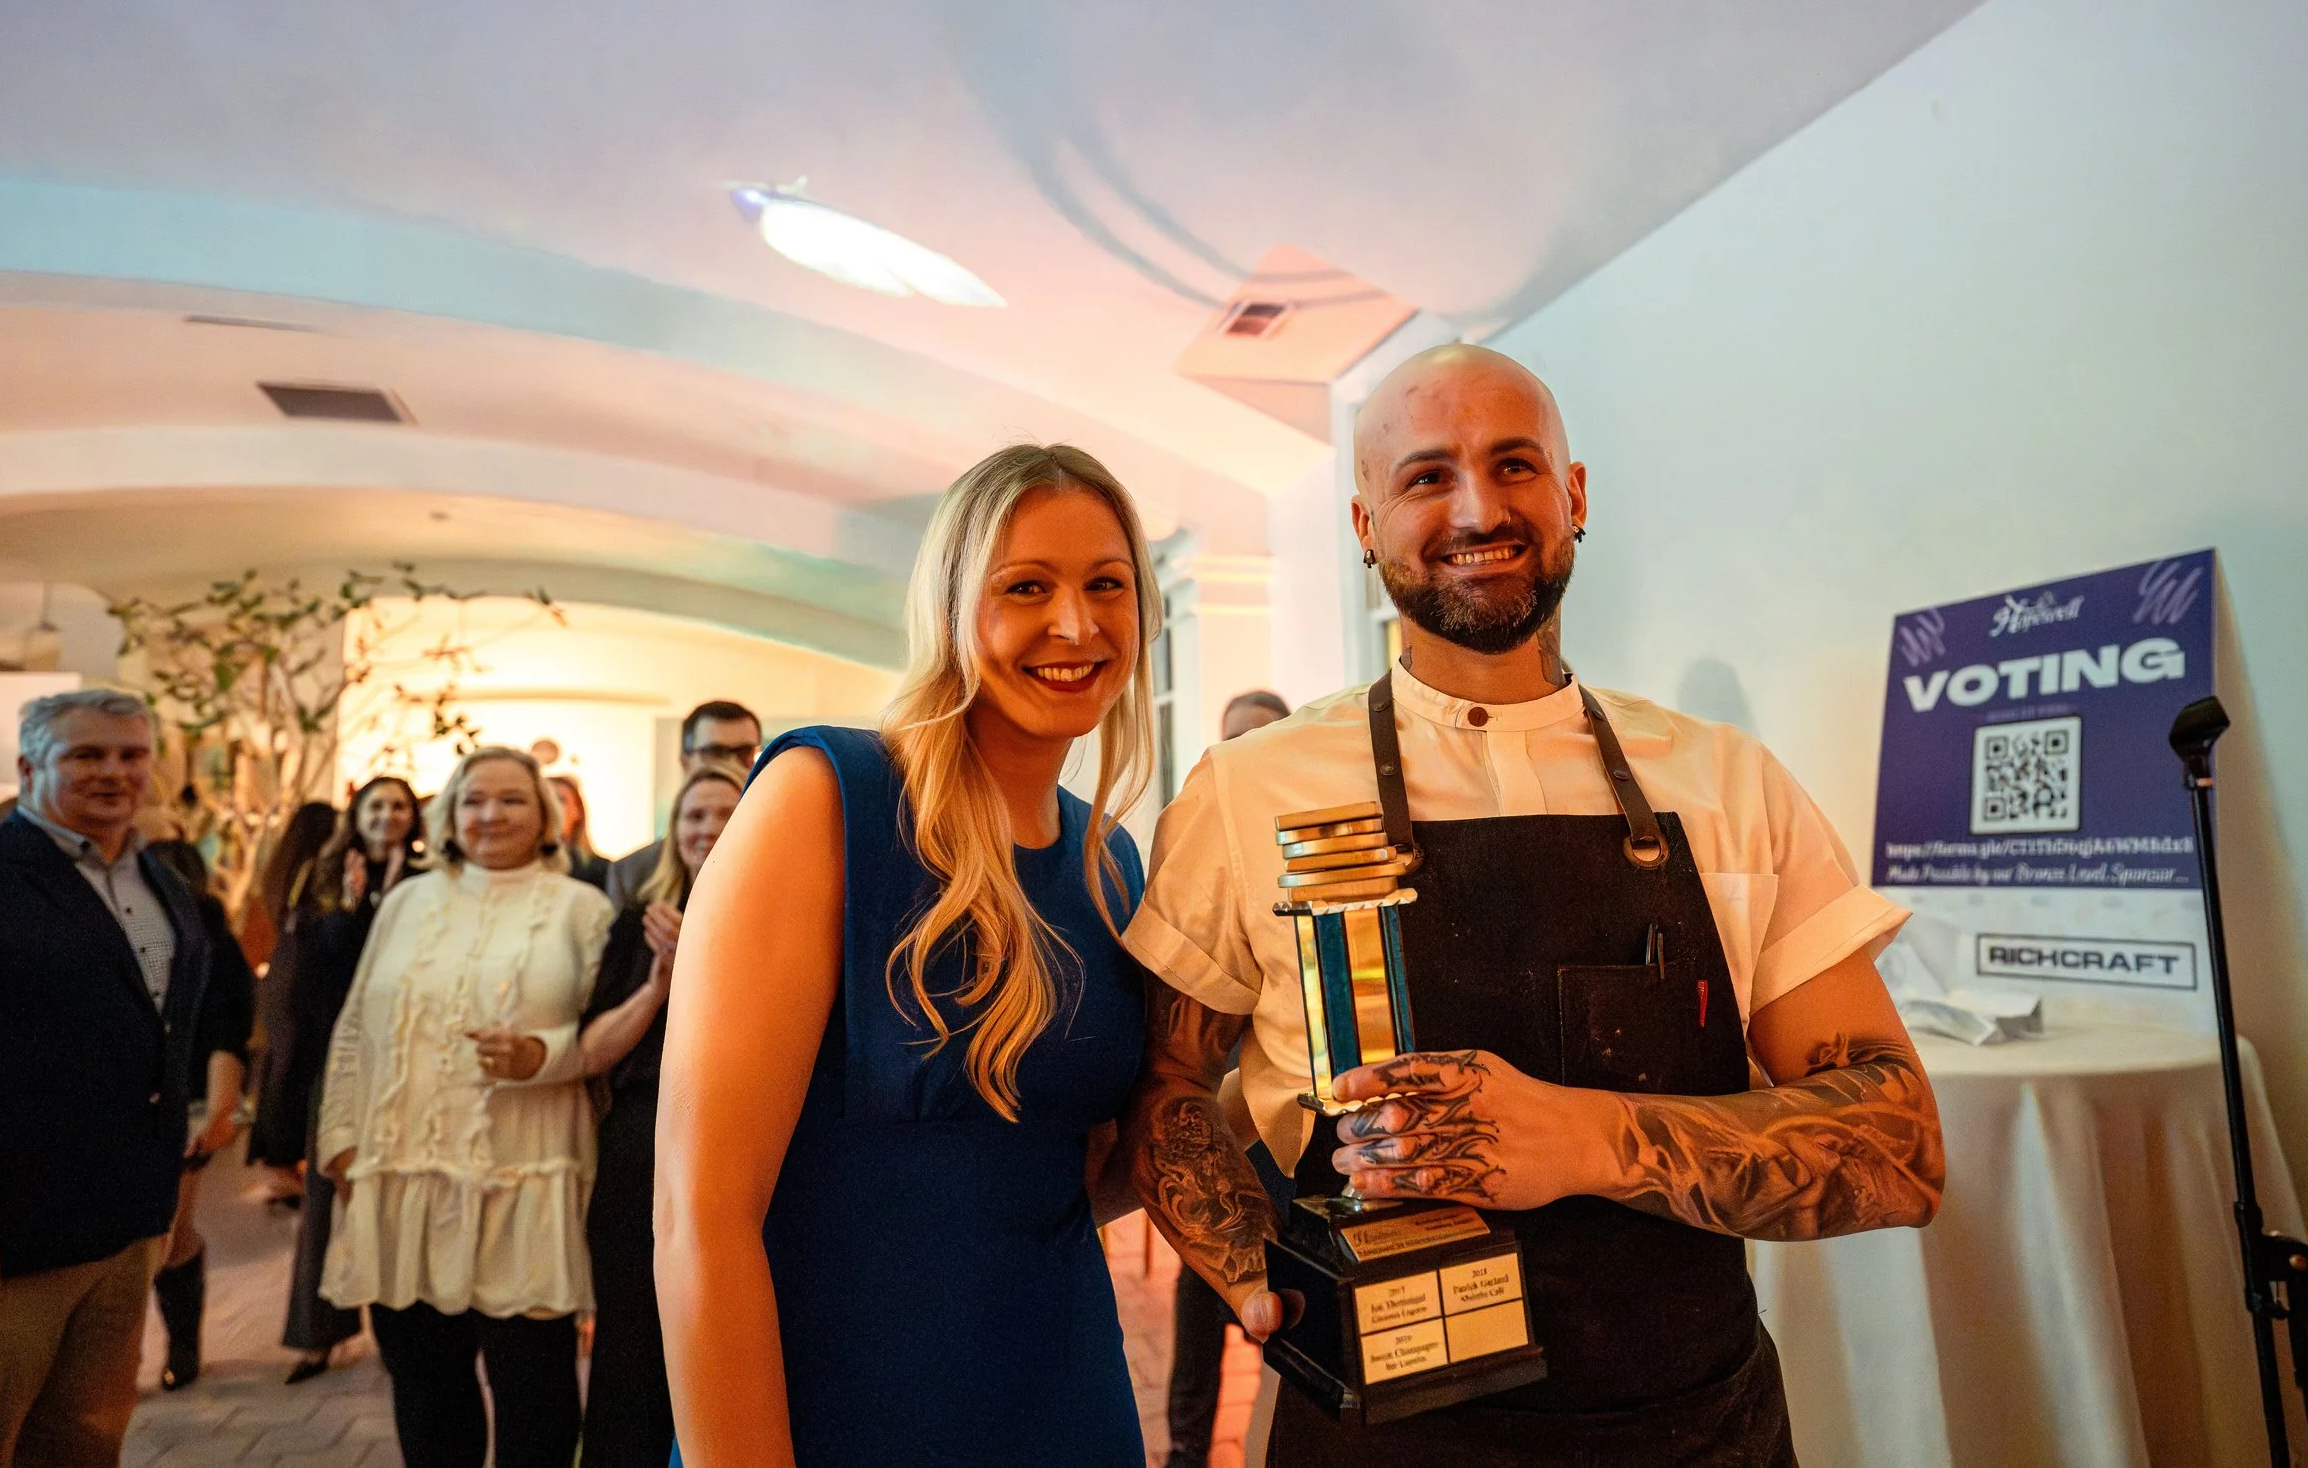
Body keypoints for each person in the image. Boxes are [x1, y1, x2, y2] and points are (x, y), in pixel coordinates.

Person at [1122, 344, 1948, 1468]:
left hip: (1696, 1428)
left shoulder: (1728, 781)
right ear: (1364, 523)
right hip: (1380, 1439)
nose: (1478, 508)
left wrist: (1589, 1136)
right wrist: (1251, 1270)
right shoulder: (1247, 789)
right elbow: (1168, 1080)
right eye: (1427, 476)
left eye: (1515, 464)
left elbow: (1899, 1141)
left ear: (1574, 495)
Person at [657, 443, 1160, 1467]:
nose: (1076, 624)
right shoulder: (826, 798)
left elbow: (1070, 1173)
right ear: (950, 606)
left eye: (1107, 584)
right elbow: (696, 1214)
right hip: (843, 1404)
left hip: (1064, 1394)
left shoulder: (1109, 859)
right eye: (1027, 587)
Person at [317, 747, 614, 1468]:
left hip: (524, 1179)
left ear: (545, 816)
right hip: (402, 1179)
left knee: (536, 1398)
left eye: (512, 799)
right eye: (474, 799)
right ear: (449, 814)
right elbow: (355, 1025)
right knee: (426, 1392)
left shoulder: (583, 908)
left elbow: (612, 1041)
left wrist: (542, 1054)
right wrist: (339, 1139)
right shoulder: (406, 902)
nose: (491, 814)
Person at [0, 689, 216, 1467]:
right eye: (86, 754)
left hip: (124, 1231)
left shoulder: (157, 880)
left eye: (130, 754)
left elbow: (165, 1039)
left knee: (84, 1441)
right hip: (7, 1240)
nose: (113, 771)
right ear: (29, 767)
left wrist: (162, 1197)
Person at [575, 767, 739, 1468]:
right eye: (694, 815)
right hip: (641, 1138)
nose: (708, 828)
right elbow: (592, 1049)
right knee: (631, 1325)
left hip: (739, 1129)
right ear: (674, 832)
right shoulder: (639, 922)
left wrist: (710, 953)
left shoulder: (779, 914)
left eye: (725, 812)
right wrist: (658, 985)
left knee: (721, 1320)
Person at [1162, 688, 1290, 1468]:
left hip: (1289, 1136)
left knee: (1288, 1311)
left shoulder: (1310, 853)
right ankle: (1185, 1452)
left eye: (1264, 739)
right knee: (1197, 1292)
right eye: (1235, 740)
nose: (1248, 755)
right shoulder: (1205, 853)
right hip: (1215, 1119)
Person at [272, 775, 426, 1385]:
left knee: (400, 1193)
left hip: (409, 1058)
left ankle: (401, 1328)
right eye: (376, 806)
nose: (387, 815)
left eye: (399, 806)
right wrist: (358, 906)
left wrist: (391, 898)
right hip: (338, 1057)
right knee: (325, 1195)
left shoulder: (429, 879)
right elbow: (311, 968)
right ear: (357, 815)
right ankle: (317, 1336)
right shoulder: (326, 877)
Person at [139, 839, 255, 1392]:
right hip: (120, 1105)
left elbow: (229, 1030)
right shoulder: (116, 935)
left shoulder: (211, 943)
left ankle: (180, 1346)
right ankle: (117, 1359)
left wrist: (221, 1109)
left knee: (168, 1228)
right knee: (132, 1239)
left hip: (184, 1104)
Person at [243, 799, 345, 1192]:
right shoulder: (314, 872)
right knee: (295, 1066)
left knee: (280, 1064)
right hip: (303, 977)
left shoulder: (282, 867)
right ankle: (283, 1162)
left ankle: (278, 1160)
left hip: (283, 972)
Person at [606, 702, 761, 907]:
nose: (730, 765)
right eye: (715, 753)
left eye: (744, 754)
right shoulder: (634, 872)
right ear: (685, 761)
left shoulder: (783, 861)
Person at [550, 774, 611, 891]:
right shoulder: (523, 871)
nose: (552, 808)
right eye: (546, 801)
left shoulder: (601, 870)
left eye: (560, 800)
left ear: (577, 811)